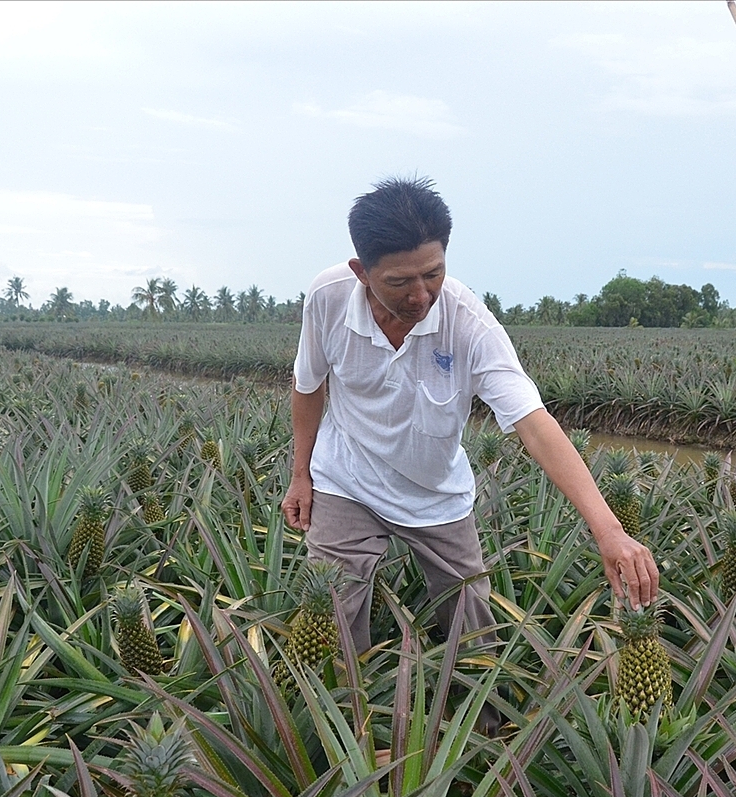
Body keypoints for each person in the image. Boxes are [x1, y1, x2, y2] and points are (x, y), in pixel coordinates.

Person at [281, 176, 659, 714]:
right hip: (347, 480)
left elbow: (533, 421)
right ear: (361, 272)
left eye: (433, 274)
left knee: (471, 622)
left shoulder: (467, 321)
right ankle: (346, 728)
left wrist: (610, 530)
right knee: (331, 615)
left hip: (435, 493)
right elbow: (308, 385)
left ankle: (482, 733)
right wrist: (302, 475)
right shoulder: (326, 298)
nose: (421, 295)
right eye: (400, 281)